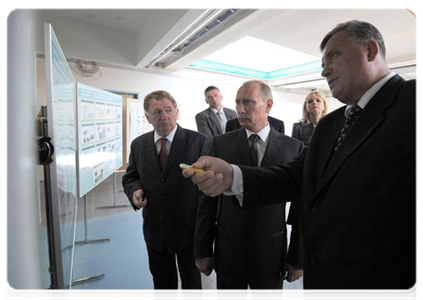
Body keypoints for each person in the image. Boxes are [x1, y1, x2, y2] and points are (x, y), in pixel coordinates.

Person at [182, 20, 419, 300]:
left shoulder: (414, 103)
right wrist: (233, 176)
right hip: (327, 280)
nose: (324, 69)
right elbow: (295, 177)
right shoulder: (332, 124)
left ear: (370, 50)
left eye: (333, 55)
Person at [194, 80, 303, 300]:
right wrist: (203, 250)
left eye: (249, 103)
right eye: (237, 102)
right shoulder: (220, 145)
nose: (240, 110)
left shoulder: (293, 148)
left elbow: (301, 209)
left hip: (271, 251)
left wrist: (297, 258)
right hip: (228, 248)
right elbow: (207, 202)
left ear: (268, 105)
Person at [122, 90, 209, 300]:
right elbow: (130, 176)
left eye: (169, 110)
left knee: (191, 283)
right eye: (157, 112)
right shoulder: (139, 145)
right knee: (161, 283)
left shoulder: (198, 141)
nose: (164, 116)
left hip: (188, 229)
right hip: (155, 229)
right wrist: (135, 191)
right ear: (147, 117)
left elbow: (208, 186)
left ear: (177, 112)